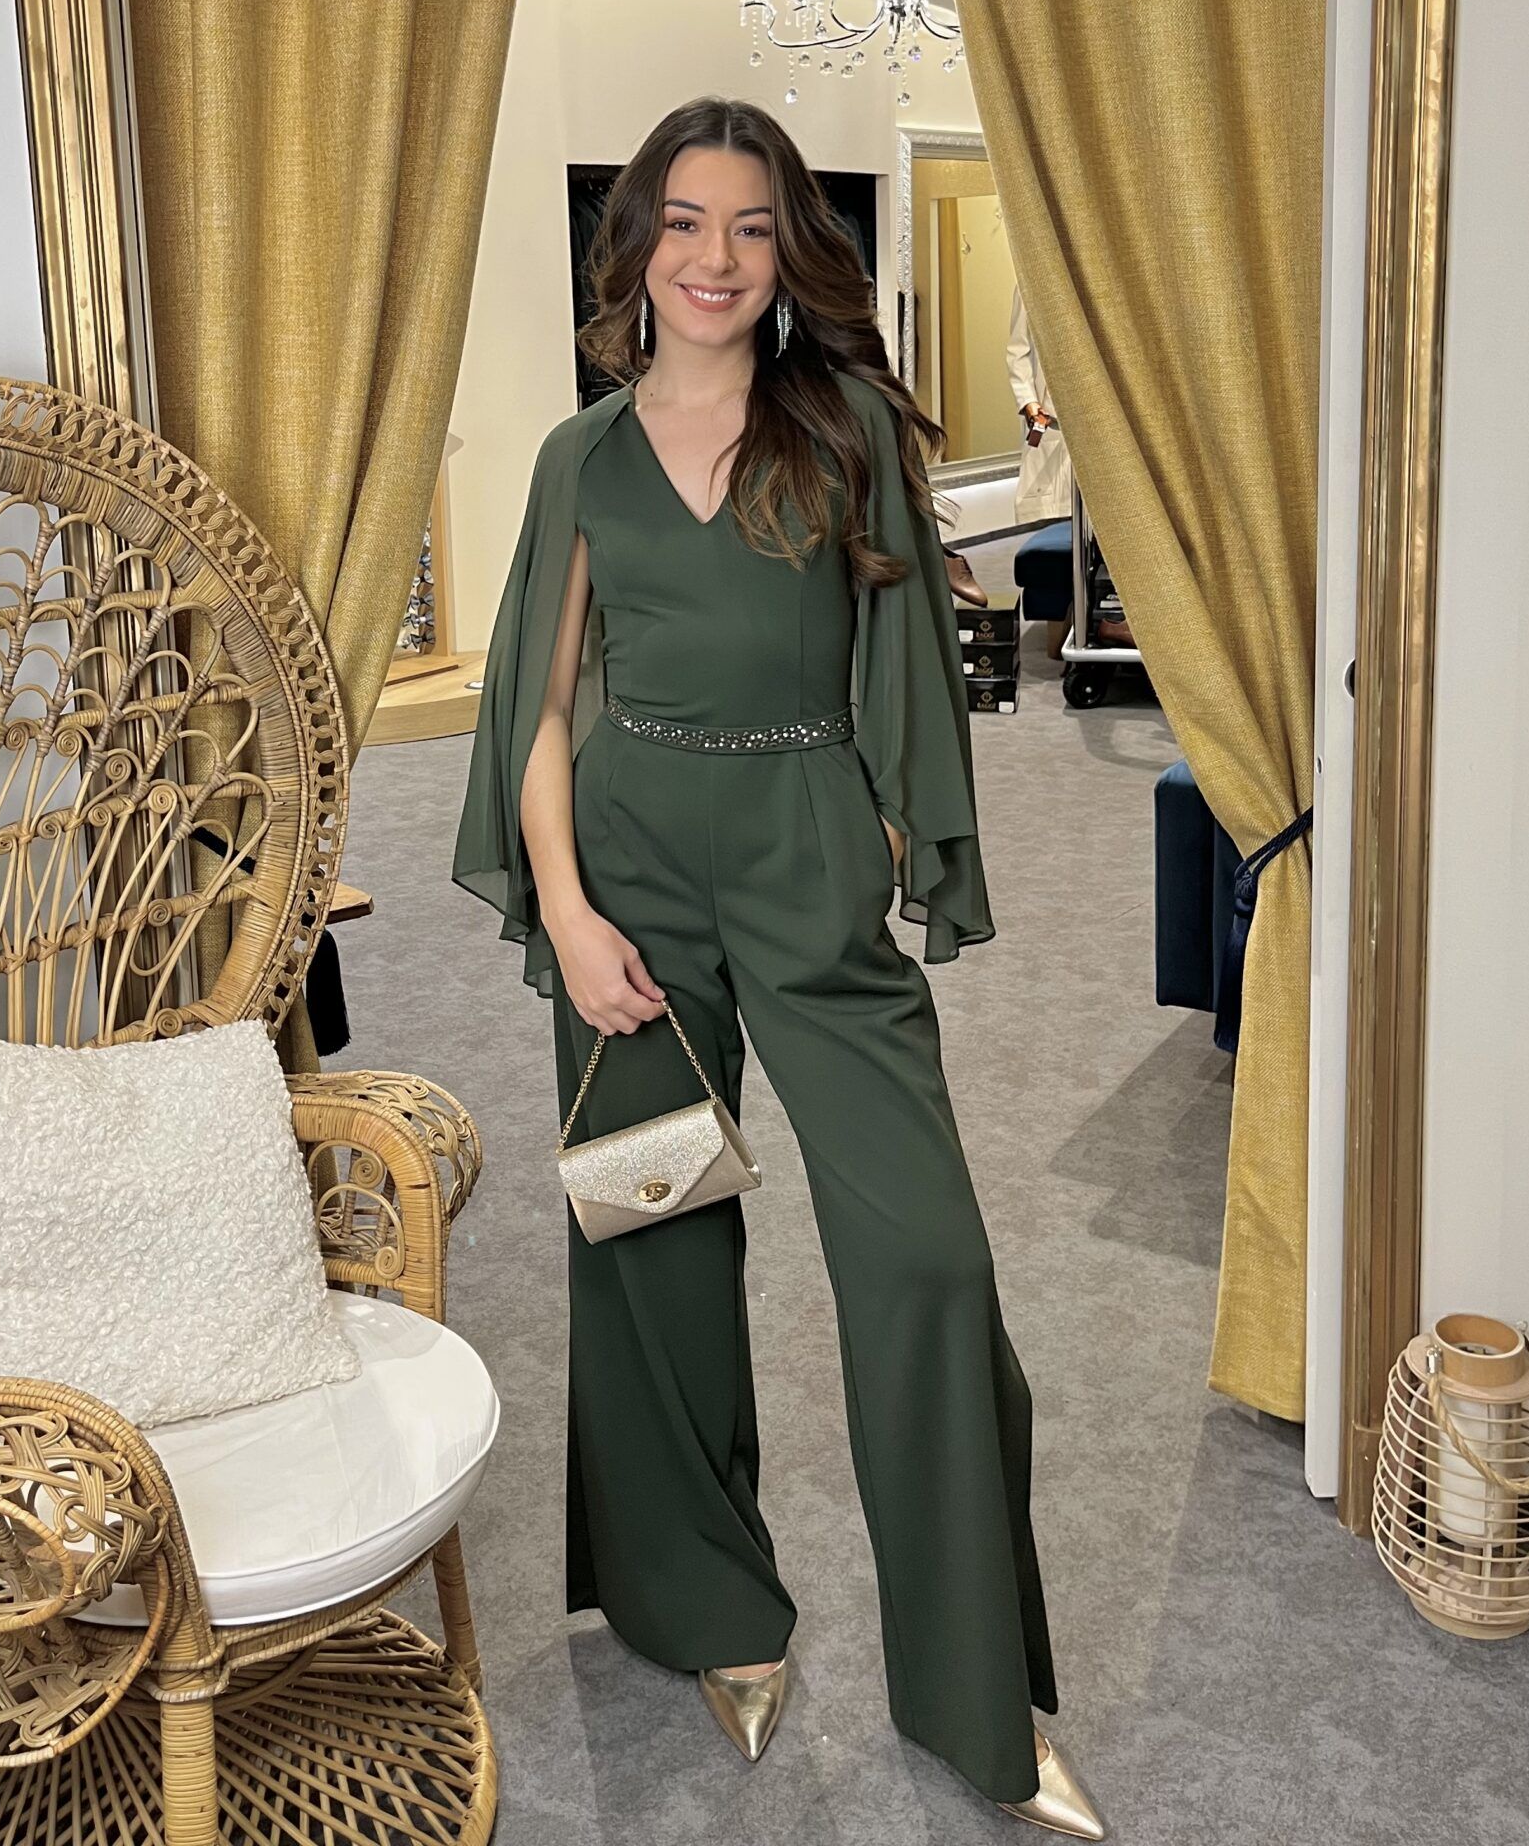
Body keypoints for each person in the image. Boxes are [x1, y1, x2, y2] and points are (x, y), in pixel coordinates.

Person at [453, 98, 1104, 1838]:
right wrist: (569, 911)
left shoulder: (844, 430)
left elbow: (909, 658)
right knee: (655, 1238)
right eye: (685, 221)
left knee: (927, 1256)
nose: (716, 257)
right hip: (630, 879)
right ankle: (707, 1607)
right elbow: (538, 706)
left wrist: (879, 834)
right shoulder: (580, 457)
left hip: (808, 858)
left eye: (752, 225)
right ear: (636, 246)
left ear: (790, 250)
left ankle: (977, 1693)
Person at [1005, 281, 1074, 527]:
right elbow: (1018, 351)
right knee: (1054, 507)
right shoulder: (1029, 283)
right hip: (1050, 414)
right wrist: (1029, 401)